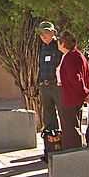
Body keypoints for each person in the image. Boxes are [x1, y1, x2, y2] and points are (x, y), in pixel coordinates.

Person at [56, 29, 89, 150]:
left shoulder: (71, 57)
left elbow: (75, 79)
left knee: (70, 127)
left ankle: (73, 152)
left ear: (63, 43)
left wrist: (86, 92)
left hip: (71, 96)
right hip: (72, 95)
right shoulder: (76, 55)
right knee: (72, 125)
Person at [36, 21, 63, 162]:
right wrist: (40, 81)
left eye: (46, 32)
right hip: (45, 85)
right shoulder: (43, 48)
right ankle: (51, 147)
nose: (43, 36)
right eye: (41, 33)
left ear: (53, 32)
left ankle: (66, 146)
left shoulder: (58, 46)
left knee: (63, 113)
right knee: (48, 116)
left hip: (56, 85)